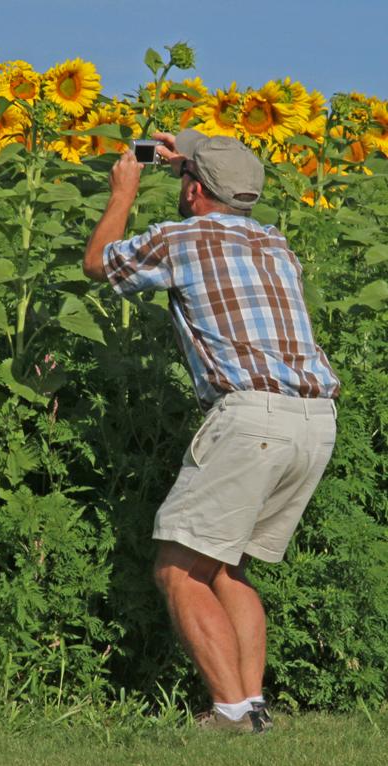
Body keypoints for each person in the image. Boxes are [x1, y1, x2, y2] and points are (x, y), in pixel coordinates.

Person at [82, 129, 340, 734]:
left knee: (178, 568)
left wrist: (124, 191)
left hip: (251, 418)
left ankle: (228, 715)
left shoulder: (181, 237)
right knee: (229, 568)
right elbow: (224, 183)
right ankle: (252, 708)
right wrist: (193, 151)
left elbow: (99, 264)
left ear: (194, 189)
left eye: (184, 179)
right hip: (315, 419)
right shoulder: (275, 243)